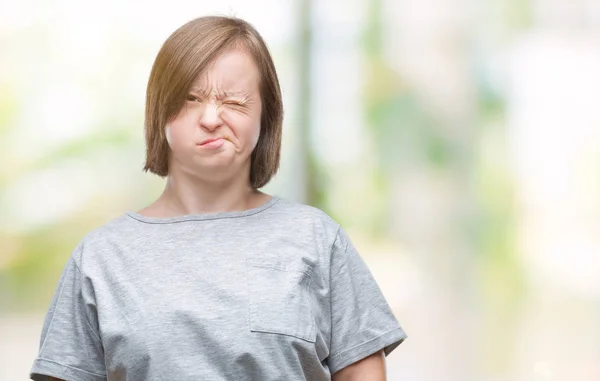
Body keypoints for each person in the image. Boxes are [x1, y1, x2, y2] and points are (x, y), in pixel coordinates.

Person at [29, 15, 406, 381]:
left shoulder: (318, 239)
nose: (211, 118)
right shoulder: (100, 257)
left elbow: (361, 373)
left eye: (236, 102)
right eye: (191, 98)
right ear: (160, 110)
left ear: (266, 118)